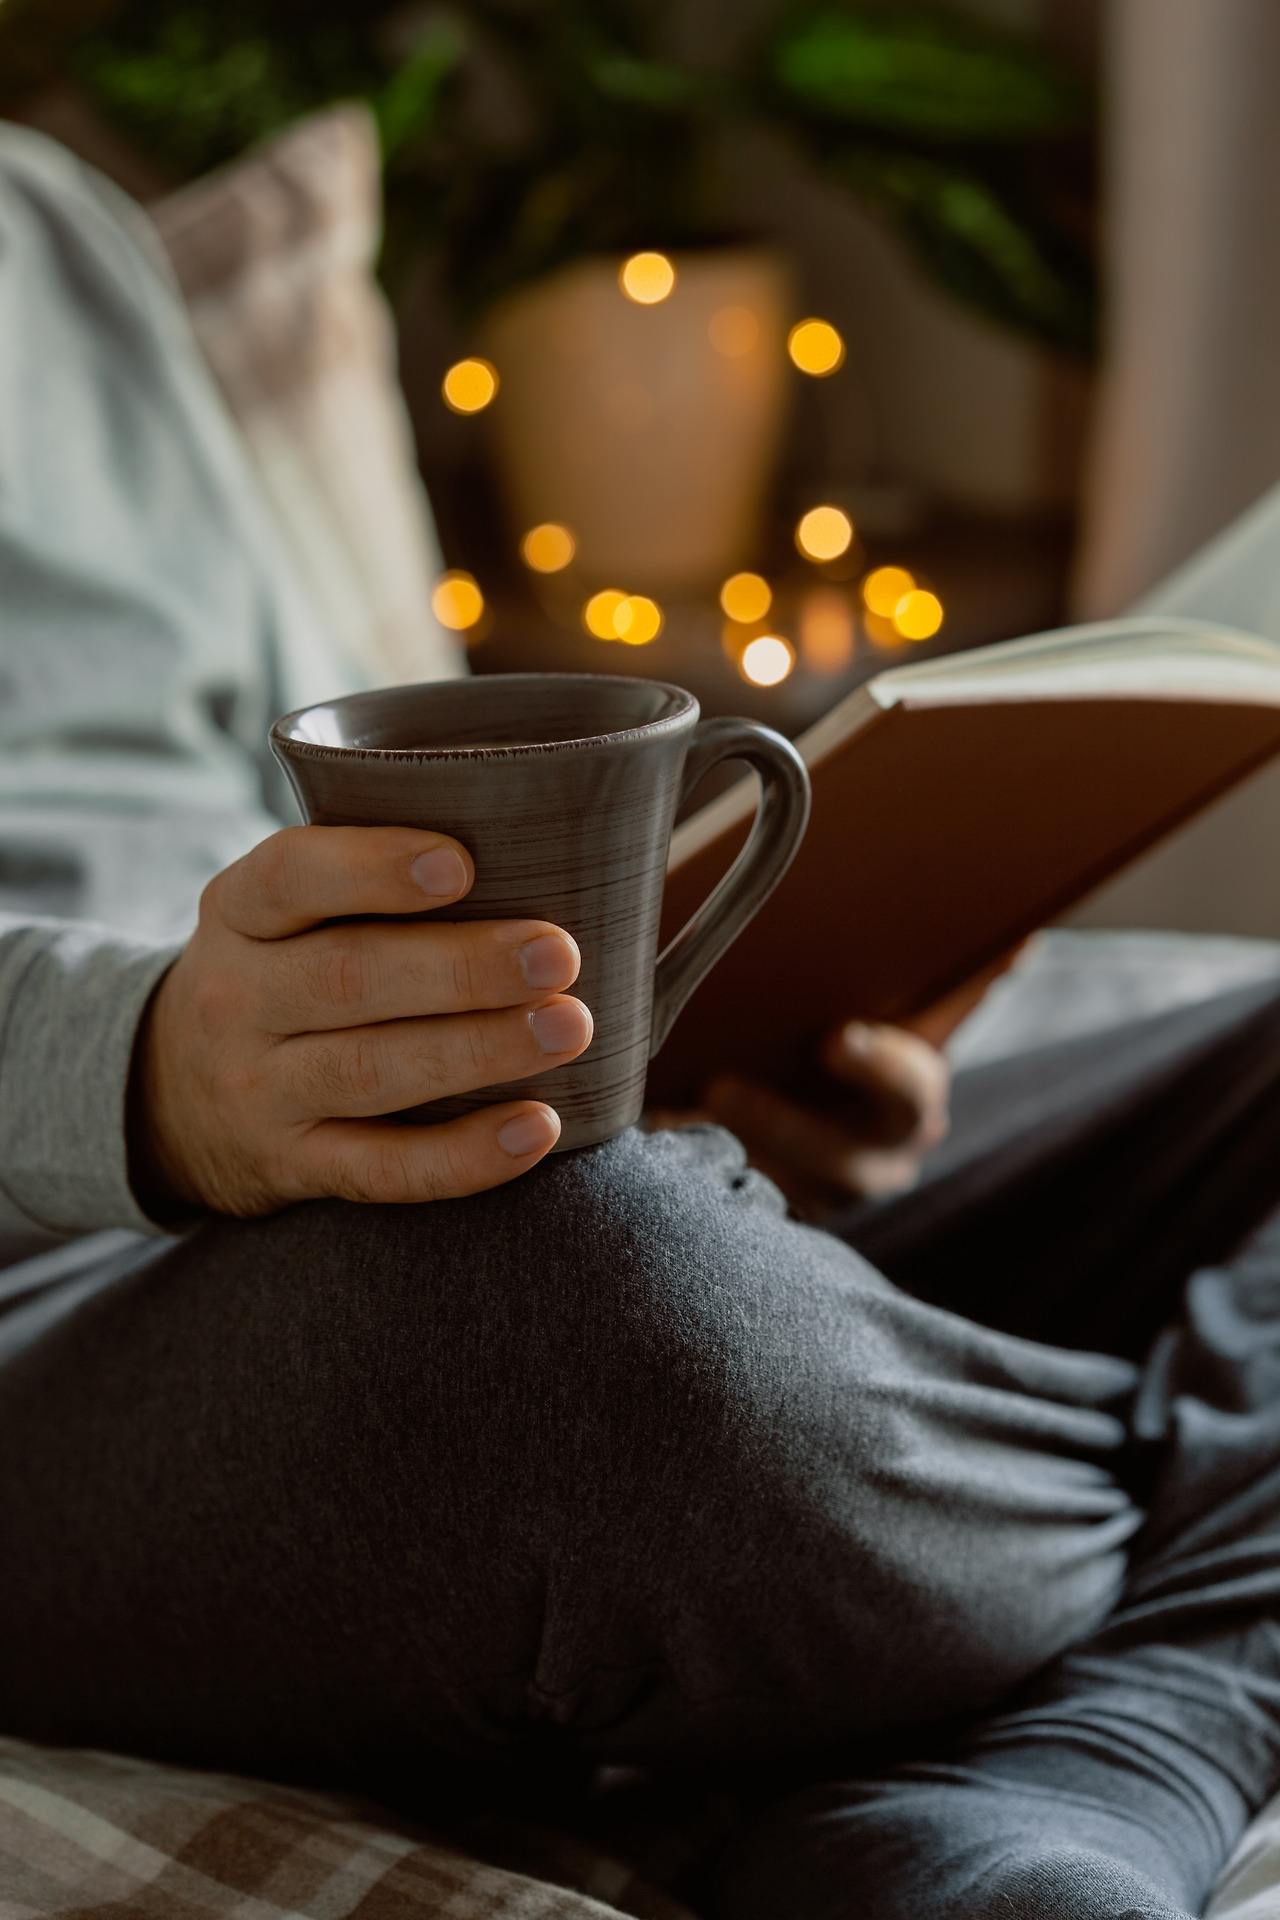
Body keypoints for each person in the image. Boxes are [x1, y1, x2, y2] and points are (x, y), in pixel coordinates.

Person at [4, 119, 1280, 1920]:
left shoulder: (44, 233)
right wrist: (145, 1078)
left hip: (416, 1149)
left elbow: (319, 762)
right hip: (87, 1309)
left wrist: (686, 1046)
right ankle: (1162, 1565)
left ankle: (1073, 1745)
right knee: (572, 1312)